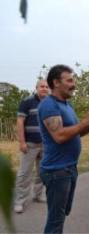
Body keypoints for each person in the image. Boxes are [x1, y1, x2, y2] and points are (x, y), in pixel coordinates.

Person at [38, 65, 89, 233]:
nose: (74, 84)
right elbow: (60, 136)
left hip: (69, 168)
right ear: (56, 82)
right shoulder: (49, 105)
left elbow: (78, 133)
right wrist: (86, 121)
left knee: (62, 214)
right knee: (55, 220)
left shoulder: (67, 105)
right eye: (69, 80)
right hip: (56, 171)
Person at [13, 80, 49, 213]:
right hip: (30, 144)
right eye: (42, 86)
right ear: (36, 88)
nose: (44, 89)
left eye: (46, 87)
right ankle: (19, 201)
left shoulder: (50, 103)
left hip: (45, 145)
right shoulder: (27, 101)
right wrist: (22, 142)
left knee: (42, 172)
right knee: (24, 174)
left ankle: (38, 195)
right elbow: (20, 121)